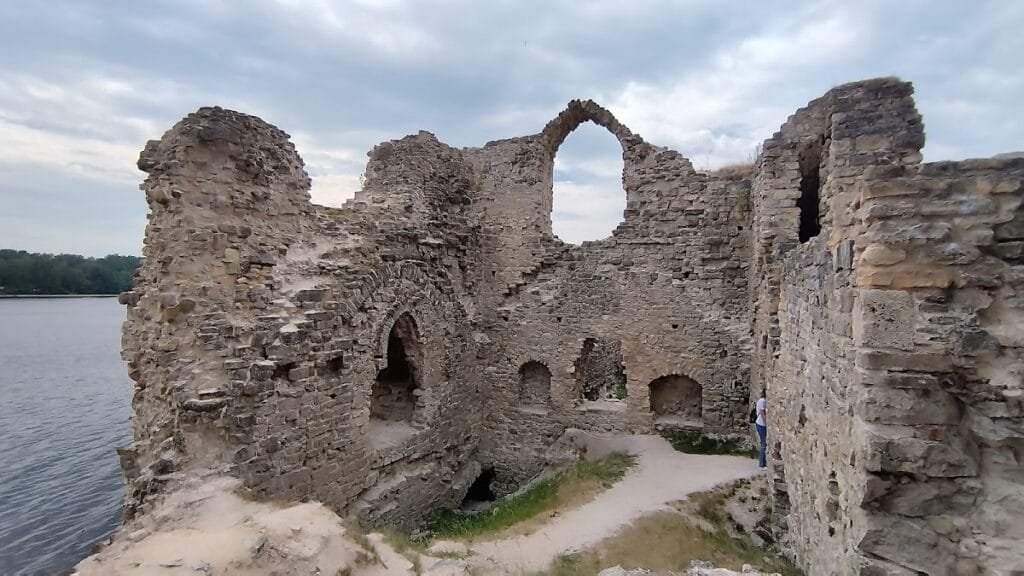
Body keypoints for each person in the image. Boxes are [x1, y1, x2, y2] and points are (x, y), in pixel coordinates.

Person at [755, 390, 767, 470]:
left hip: (759, 423)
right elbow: (762, 413)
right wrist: (766, 423)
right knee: (763, 444)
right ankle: (761, 464)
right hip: (761, 424)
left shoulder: (760, 400)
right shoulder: (763, 401)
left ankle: (763, 462)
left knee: (764, 444)